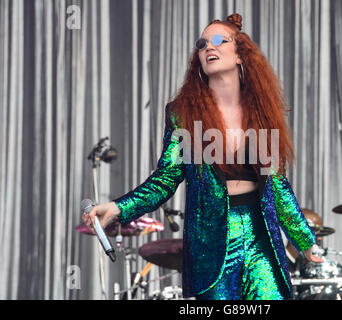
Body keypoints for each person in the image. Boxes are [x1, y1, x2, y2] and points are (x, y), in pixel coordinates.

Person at [83, 13, 323, 300]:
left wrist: (305, 240)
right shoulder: (182, 113)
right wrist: (119, 207)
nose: (209, 47)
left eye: (220, 40)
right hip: (212, 241)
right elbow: (165, 179)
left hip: (262, 237)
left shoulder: (261, 112)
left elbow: (277, 185)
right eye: (202, 43)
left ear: (239, 55)